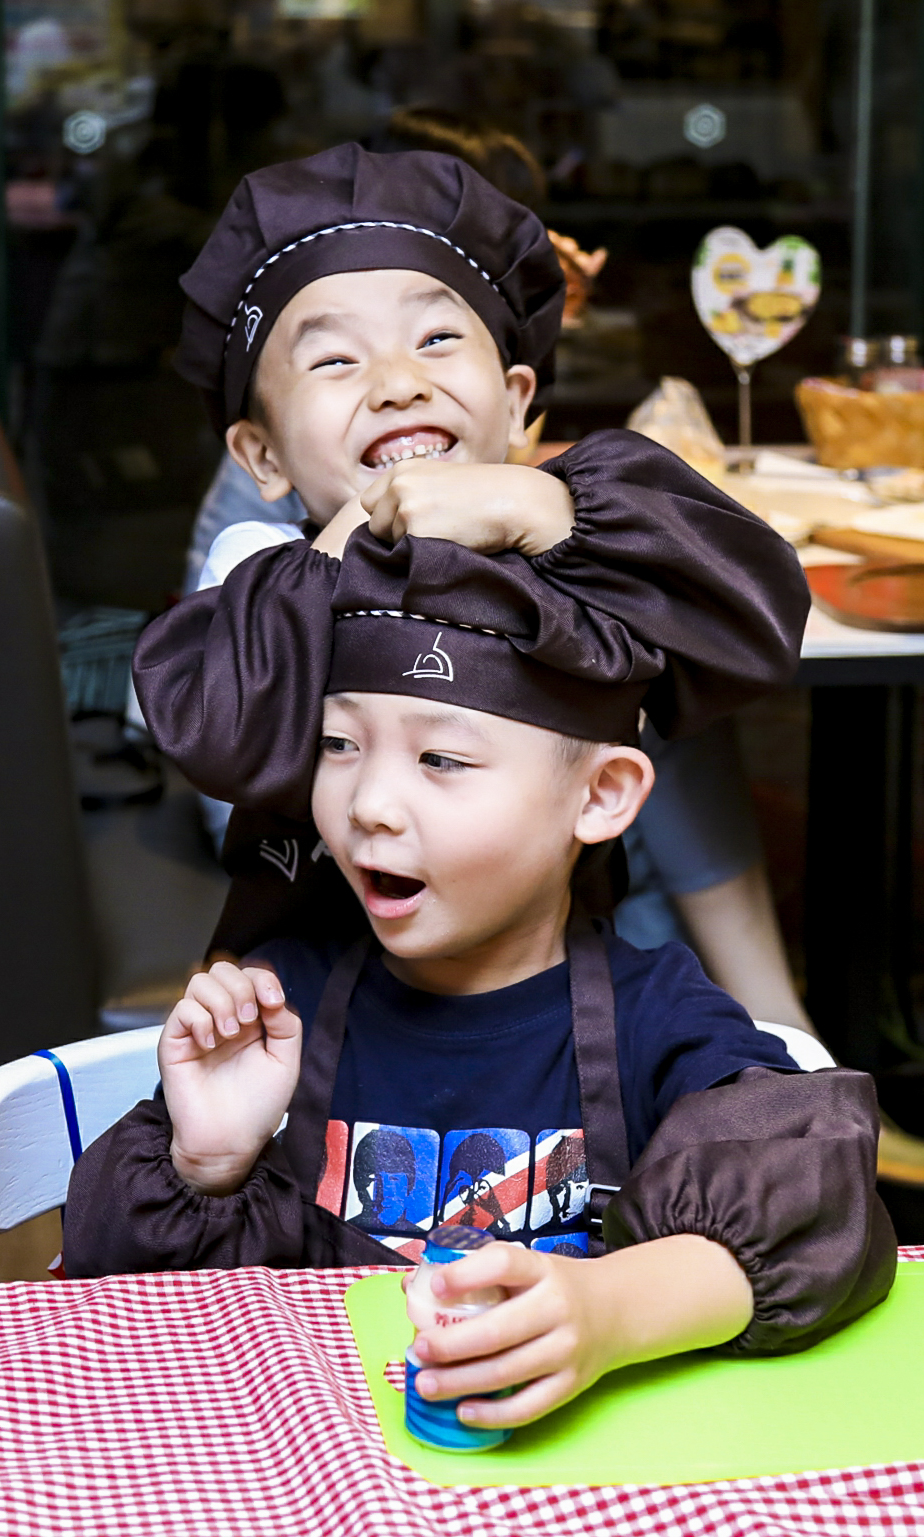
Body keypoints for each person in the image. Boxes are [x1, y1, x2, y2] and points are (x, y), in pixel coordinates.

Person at [64, 431, 894, 1433]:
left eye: (442, 760)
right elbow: (118, 1318)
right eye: (337, 743)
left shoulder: (655, 1017)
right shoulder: (278, 1006)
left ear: (600, 794)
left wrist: (610, 1310)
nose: (369, 803)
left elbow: (818, 1205)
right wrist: (207, 1164)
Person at [164, 136, 815, 1036]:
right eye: (334, 361)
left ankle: (778, 1024)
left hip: (561, 1003)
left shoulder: (572, 535)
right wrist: (354, 537)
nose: (398, 383)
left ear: (515, 401)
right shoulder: (260, 566)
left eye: (436, 339)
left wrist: (544, 508)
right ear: (262, 455)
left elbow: (756, 622)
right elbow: (221, 736)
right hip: (328, 1013)